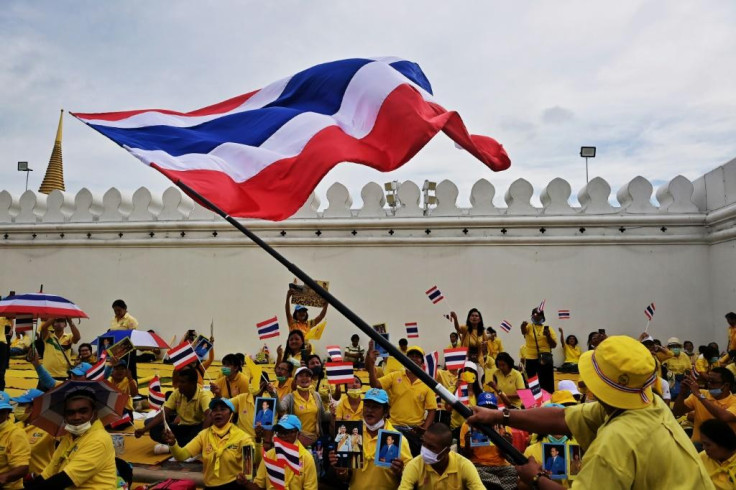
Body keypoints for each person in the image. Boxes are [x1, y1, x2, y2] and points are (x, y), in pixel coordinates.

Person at [467, 335, 714, 489]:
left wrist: (536, 479)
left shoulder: (614, 442)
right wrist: (499, 415)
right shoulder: (647, 403)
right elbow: (563, 417)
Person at [28, 387, 116, 489]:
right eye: (70, 413)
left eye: (83, 411)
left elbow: (67, 478)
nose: (76, 417)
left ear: (94, 414)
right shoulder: (69, 436)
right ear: (64, 416)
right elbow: (50, 471)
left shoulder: (99, 439)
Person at [328, 388, 412, 489]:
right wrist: (341, 470)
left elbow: (409, 481)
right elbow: (346, 478)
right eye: (367, 405)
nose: (369, 410)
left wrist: (400, 472)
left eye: (375, 407)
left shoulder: (398, 439)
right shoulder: (351, 434)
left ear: (385, 411)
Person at [164, 397, 255, 490]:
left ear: (231, 414)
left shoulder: (244, 438)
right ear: (211, 415)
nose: (218, 412)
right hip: (210, 486)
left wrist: (245, 479)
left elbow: (248, 473)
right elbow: (181, 455)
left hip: (234, 485)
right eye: (215, 410)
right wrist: (173, 443)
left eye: (223, 409)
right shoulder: (203, 435)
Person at [366, 343, 437, 456]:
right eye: (410, 356)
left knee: (411, 465)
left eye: (417, 356)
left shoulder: (427, 382)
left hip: (413, 431)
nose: (413, 358)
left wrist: (424, 428)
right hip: (393, 428)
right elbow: (375, 385)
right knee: (388, 463)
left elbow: (432, 410)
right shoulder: (395, 376)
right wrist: (371, 364)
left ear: (422, 362)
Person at [135, 367, 213, 450]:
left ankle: (178, 445)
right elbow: (164, 413)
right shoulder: (177, 393)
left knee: (200, 433)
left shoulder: (203, 396)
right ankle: (182, 445)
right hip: (181, 427)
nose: (179, 385)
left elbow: (209, 415)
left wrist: (202, 435)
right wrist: (143, 430)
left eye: (183, 382)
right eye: (179, 381)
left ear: (193, 383)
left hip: (196, 428)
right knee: (154, 429)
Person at [399, 422, 484, 489]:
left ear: (446, 451)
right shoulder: (414, 465)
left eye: (431, 447)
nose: (425, 449)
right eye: (424, 443)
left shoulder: (464, 465)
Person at [244, 414, 317, 489]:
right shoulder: (269, 455)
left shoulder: (306, 458)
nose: (283, 436)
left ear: (298, 434)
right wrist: (245, 482)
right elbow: (259, 486)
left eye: (287, 432)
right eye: (280, 432)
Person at [459, 392, 516, 490]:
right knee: (471, 472)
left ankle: (495, 485)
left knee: (515, 473)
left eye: (491, 408)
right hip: (478, 466)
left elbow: (507, 457)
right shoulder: (468, 425)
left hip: (501, 466)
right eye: (484, 407)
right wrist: (468, 445)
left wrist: (507, 445)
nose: (487, 411)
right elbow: (464, 457)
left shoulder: (504, 426)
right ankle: (498, 485)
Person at [673, 367, 736, 446]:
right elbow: (676, 412)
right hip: (698, 446)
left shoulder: (734, 401)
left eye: (713, 382)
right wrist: (682, 393)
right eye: (708, 381)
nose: (709, 385)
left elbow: (724, 417)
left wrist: (699, 396)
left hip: (723, 450)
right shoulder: (701, 394)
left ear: (726, 385)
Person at [278, 367, 328, 447]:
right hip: (297, 440)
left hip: (315, 440)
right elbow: (280, 408)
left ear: (311, 380)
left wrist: (333, 412)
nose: (304, 378)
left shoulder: (316, 395)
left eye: (307, 376)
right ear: (295, 380)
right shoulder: (290, 397)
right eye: (301, 375)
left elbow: (323, 416)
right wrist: (274, 394)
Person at [10, 389, 54, 479]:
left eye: (22, 405)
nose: (18, 408)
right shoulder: (14, 427)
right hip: (16, 480)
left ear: (36, 407)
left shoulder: (49, 428)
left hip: (42, 481)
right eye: (19, 404)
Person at [520, 307, 557, 393]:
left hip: (545, 358)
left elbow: (554, 345)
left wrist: (548, 336)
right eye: (534, 314)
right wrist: (522, 326)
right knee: (532, 382)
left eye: (539, 315)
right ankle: (534, 400)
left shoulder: (549, 329)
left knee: (547, 381)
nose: (536, 316)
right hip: (531, 358)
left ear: (542, 317)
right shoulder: (529, 326)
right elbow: (523, 331)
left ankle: (547, 398)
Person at [0, 391, 29, 489]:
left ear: (7, 412)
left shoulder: (16, 434)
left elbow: (22, 468)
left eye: (1, 412)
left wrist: (4, 477)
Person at [699, 419, 736, 490]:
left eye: (708, 445)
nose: (704, 448)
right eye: (703, 444)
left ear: (723, 443)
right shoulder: (702, 458)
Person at [109, 359, 138, 426]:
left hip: (125, 410)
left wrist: (130, 379)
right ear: (112, 371)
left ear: (126, 371)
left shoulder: (130, 381)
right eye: (117, 369)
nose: (120, 371)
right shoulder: (109, 380)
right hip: (111, 409)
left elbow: (134, 394)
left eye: (122, 369)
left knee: (119, 425)